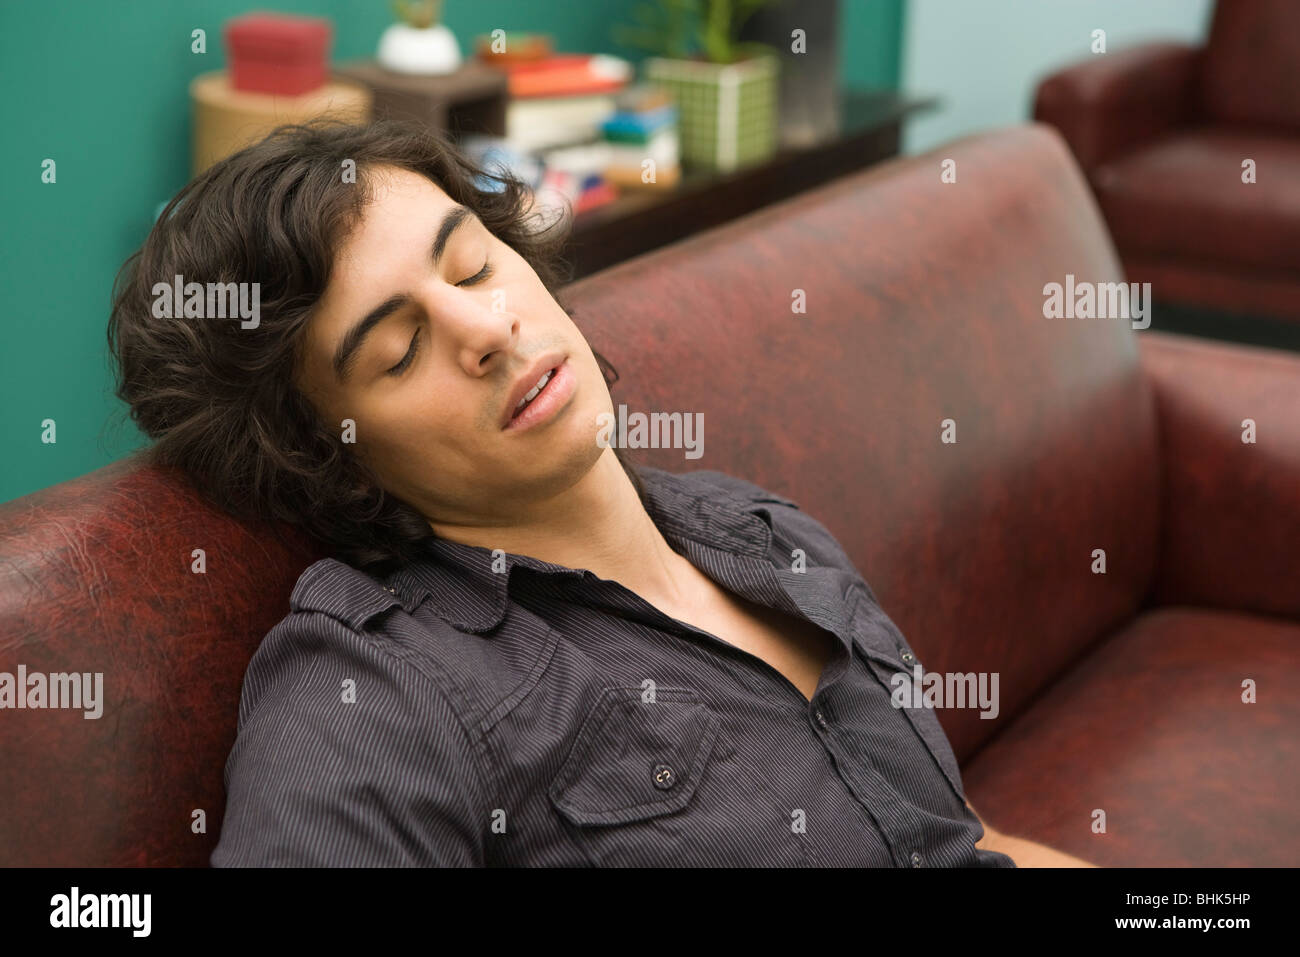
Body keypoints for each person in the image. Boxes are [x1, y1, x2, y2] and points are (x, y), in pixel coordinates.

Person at [108, 119, 1092, 867]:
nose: (485, 327)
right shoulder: (375, 701)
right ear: (328, 454)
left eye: (473, 264)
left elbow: (963, 844)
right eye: (401, 349)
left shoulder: (761, 532)